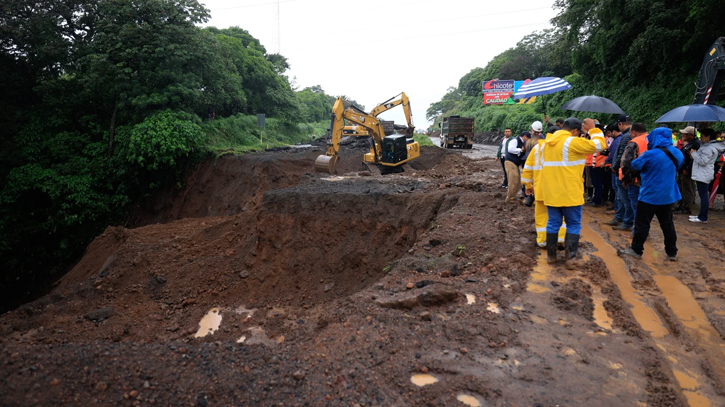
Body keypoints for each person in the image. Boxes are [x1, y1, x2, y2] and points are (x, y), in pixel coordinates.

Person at [541, 117, 605, 265]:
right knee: (573, 224)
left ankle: (551, 257)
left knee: (553, 223)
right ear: (575, 131)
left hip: (551, 192)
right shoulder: (572, 142)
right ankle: (570, 260)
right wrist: (593, 129)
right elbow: (599, 145)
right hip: (570, 192)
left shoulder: (547, 143)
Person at [620, 128, 683, 261]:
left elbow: (635, 165)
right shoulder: (677, 153)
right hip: (668, 195)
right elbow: (679, 165)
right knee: (667, 224)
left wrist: (643, 154)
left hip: (650, 195)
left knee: (642, 224)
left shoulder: (650, 154)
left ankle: (636, 249)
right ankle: (672, 252)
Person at [521, 126, 567, 248]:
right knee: (560, 215)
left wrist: (528, 185)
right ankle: (560, 239)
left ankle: (542, 241)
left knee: (541, 216)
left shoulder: (537, 148)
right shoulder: (564, 148)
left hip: (540, 189)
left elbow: (527, 171)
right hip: (558, 189)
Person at [689, 128, 725, 223]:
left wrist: (694, 154)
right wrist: (695, 155)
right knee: (702, 195)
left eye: (703, 136)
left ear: (708, 137)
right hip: (703, 173)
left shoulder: (709, 148)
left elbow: (703, 161)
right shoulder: (708, 146)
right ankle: (701, 215)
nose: (701, 138)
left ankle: (703, 217)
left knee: (703, 196)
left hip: (703, 174)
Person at [619, 123, 649, 230]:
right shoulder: (652, 140)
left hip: (635, 180)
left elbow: (627, 163)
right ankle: (643, 229)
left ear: (634, 132)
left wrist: (626, 180)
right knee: (644, 207)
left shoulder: (634, 143)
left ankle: (637, 231)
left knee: (635, 206)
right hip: (647, 179)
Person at [610, 115, 633, 230]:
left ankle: (625, 221)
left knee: (624, 198)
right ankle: (621, 218)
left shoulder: (626, 136)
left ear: (620, 124)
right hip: (626, 171)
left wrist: (614, 166)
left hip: (622, 171)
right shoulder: (629, 135)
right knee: (622, 197)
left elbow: (622, 155)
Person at [673, 126, 700, 214]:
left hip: (687, 170)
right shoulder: (688, 143)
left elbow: (693, 159)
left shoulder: (695, 144)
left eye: (685, 134)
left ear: (691, 135)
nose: (683, 135)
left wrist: (688, 169)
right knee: (681, 187)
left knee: (687, 189)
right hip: (682, 168)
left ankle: (687, 207)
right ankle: (680, 205)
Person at [505, 131, 530, 203]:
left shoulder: (521, 142)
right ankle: (510, 198)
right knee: (513, 180)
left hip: (515, 163)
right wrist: (521, 150)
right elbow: (510, 149)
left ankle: (513, 196)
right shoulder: (515, 140)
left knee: (517, 181)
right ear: (525, 136)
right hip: (510, 162)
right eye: (528, 138)